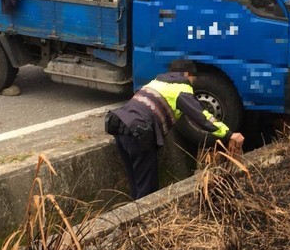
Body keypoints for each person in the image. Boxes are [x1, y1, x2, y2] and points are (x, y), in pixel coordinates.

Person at [105, 60, 245, 199]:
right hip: (138, 131)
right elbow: (202, 117)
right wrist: (229, 134)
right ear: (186, 74)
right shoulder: (181, 89)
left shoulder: (155, 83)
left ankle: (134, 215)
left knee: (136, 181)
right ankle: (144, 219)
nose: (193, 82)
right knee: (147, 187)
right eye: (193, 78)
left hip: (120, 126)